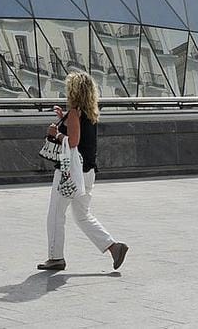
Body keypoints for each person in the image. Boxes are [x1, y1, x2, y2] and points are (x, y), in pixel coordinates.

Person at [37, 71, 128, 272]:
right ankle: (114, 247)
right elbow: (82, 136)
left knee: (55, 214)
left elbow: (74, 142)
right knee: (82, 216)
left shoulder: (76, 112)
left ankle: (55, 257)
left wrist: (57, 133)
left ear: (75, 91)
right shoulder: (89, 112)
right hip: (88, 172)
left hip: (70, 172)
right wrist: (64, 119)